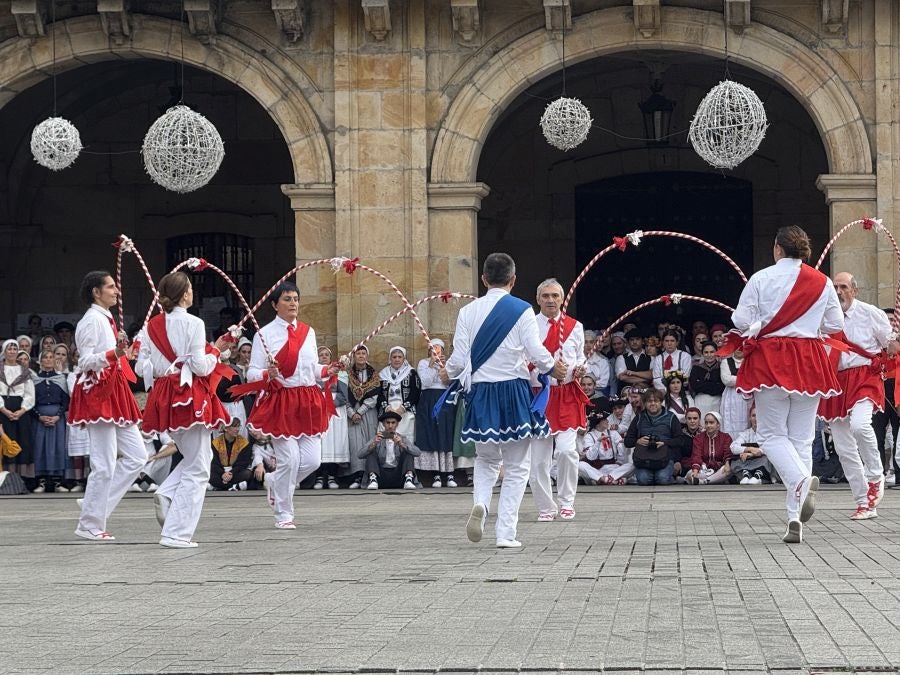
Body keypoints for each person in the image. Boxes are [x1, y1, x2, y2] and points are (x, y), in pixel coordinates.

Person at [727, 225, 843, 544]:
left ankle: (801, 484)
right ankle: (794, 517)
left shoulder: (762, 278)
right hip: (809, 357)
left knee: (771, 434)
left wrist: (759, 325)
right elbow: (835, 325)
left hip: (772, 358)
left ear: (777, 248)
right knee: (801, 439)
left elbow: (739, 321)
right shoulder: (822, 282)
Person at [442, 253, 566, 548]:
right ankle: (505, 533)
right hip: (513, 391)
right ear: (513, 280)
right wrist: (553, 367)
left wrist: (446, 373)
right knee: (518, 466)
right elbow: (535, 352)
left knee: (485, 459)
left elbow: (459, 360)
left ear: (483, 280)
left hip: (481, 393)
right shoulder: (522, 310)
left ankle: (482, 505)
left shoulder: (468, 311)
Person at [136, 271, 232, 548]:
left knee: (193, 458)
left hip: (165, 393)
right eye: (190, 288)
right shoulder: (194, 322)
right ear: (185, 294)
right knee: (200, 467)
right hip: (189, 394)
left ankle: (166, 494)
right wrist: (217, 351)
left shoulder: (151, 325)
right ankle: (176, 532)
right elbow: (201, 367)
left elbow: (148, 366)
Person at [237, 281, 333, 529]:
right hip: (282, 401)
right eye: (287, 299)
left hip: (308, 399)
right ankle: (283, 514)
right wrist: (268, 373)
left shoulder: (308, 332)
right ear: (275, 304)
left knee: (312, 461)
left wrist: (327, 370)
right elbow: (252, 374)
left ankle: (275, 483)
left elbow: (312, 369)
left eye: (296, 299)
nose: (293, 304)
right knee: (289, 459)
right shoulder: (264, 334)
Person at [69, 271, 146, 541]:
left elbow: (110, 356)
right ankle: (90, 523)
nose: (116, 291)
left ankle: (94, 504)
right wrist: (115, 353)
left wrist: (123, 354)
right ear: (96, 292)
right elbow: (85, 360)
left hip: (113, 390)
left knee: (137, 456)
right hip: (99, 392)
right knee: (104, 464)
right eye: (111, 287)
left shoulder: (106, 319)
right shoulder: (91, 321)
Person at [817, 272, 895, 520]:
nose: (838, 292)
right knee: (843, 446)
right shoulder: (824, 317)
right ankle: (864, 501)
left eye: (843, 287)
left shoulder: (870, 313)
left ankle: (876, 476)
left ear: (855, 290)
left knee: (861, 426)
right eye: (835, 288)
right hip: (836, 380)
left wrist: (896, 339)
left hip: (864, 376)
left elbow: (890, 347)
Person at [529, 278, 588, 522]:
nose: (550, 300)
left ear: (562, 299)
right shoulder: (529, 325)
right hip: (539, 395)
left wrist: (579, 369)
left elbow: (581, 357)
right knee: (539, 460)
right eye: (546, 296)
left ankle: (567, 502)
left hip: (566, 394)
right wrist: (546, 369)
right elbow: (522, 361)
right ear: (538, 299)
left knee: (566, 452)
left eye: (555, 295)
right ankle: (545, 506)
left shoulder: (575, 326)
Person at [415, 339, 458, 488]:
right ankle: (436, 474)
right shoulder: (423, 363)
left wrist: (444, 368)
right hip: (428, 400)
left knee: (445, 432)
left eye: (438, 348)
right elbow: (426, 382)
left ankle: (449, 473)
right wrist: (431, 365)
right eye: (433, 348)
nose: (436, 350)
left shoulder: (449, 363)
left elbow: (450, 383)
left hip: (444, 399)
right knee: (431, 433)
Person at [624, 388, 683, 485]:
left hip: (665, 458)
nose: (653, 404)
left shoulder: (671, 417)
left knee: (662, 479)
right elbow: (627, 441)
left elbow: (680, 440)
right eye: (649, 401)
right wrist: (637, 441)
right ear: (645, 403)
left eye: (656, 401)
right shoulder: (639, 418)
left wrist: (665, 443)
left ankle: (667, 476)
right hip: (644, 459)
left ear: (661, 402)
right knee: (643, 480)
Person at [31, 349, 69, 493]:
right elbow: (30, 401)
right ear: (40, 361)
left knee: (57, 447)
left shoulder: (61, 379)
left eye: (50, 357)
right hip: (40, 418)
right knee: (40, 447)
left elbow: (65, 401)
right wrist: (39, 416)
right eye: (45, 357)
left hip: (57, 419)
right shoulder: (34, 380)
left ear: (55, 360)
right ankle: (41, 481)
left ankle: (57, 481)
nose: (48, 360)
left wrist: (58, 415)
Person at [1, 339, 36, 488]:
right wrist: (4, 410)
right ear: (4, 351)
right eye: (9, 349)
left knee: (23, 441)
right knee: (5, 441)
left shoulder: (24, 371)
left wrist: (21, 410)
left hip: (21, 410)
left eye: (15, 349)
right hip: (3, 409)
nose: (12, 352)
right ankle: (6, 478)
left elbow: (29, 393)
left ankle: (23, 479)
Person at [345, 345, 381, 488]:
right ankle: (358, 476)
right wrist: (351, 413)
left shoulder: (373, 374)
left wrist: (361, 411)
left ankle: (371, 474)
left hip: (368, 412)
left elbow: (374, 395)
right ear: (354, 356)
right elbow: (343, 394)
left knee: (369, 441)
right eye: (358, 353)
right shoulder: (347, 374)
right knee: (355, 444)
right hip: (352, 413)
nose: (361, 356)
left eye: (363, 353)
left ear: (367, 356)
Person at [315, 345, 350, 490]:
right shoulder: (312, 374)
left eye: (326, 355)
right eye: (321, 354)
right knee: (320, 445)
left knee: (333, 444)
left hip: (334, 413)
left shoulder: (340, 373)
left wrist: (329, 405)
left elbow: (343, 396)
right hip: (317, 411)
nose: (324, 357)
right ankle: (319, 476)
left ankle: (331, 476)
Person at [358, 410, 421, 489]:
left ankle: (408, 480)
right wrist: (373, 443)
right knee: (371, 452)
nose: (390, 426)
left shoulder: (402, 438)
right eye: (388, 423)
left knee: (407, 452)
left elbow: (418, 452)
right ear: (384, 424)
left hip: (398, 476)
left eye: (393, 423)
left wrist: (402, 444)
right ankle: (373, 480)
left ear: (397, 424)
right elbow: (360, 455)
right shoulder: (377, 437)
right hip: (380, 476)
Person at [377, 346, 421, 441]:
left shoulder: (411, 373)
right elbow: (379, 393)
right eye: (394, 357)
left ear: (404, 359)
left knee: (405, 439)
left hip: (405, 410)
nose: (397, 359)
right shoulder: (383, 374)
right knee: (386, 438)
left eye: (399, 357)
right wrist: (387, 408)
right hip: (387, 409)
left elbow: (415, 392)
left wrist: (403, 408)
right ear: (390, 358)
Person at [578, 410, 632, 485]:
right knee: (580, 465)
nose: (607, 421)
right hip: (597, 470)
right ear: (597, 424)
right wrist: (598, 442)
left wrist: (622, 444)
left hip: (613, 469)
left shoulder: (613, 433)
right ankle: (607, 479)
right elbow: (590, 457)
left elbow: (621, 454)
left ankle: (605, 480)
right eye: (604, 420)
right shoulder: (589, 436)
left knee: (632, 465)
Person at [685, 411, 733, 485]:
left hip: (719, 470)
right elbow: (696, 456)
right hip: (704, 469)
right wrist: (695, 470)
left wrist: (727, 464)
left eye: (711, 422)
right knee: (690, 474)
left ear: (718, 424)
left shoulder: (725, 437)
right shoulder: (699, 438)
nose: (708, 425)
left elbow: (727, 453)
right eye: (706, 423)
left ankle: (705, 481)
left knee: (728, 470)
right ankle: (712, 480)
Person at [730, 407, 773, 485]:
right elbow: (733, 447)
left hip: (762, 462)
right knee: (734, 461)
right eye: (753, 416)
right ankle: (747, 476)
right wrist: (748, 449)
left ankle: (757, 476)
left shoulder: (768, 433)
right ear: (750, 418)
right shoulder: (746, 434)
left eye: (758, 416)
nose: (756, 419)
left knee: (767, 459)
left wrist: (752, 454)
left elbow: (771, 447)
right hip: (748, 462)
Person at [209, 418, 253, 491]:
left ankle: (218, 487)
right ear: (226, 428)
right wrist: (222, 473)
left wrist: (231, 473)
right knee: (209, 475)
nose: (237, 429)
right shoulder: (216, 442)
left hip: (235, 472)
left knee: (248, 474)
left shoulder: (243, 442)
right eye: (234, 426)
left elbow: (242, 463)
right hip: (220, 472)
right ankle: (234, 486)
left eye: (238, 426)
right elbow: (214, 463)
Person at [719, 349, 751, 435]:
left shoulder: (750, 361)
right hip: (731, 397)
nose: (739, 349)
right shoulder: (726, 362)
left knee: (746, 420)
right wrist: (745, 378)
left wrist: (736, 378)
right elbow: (727, 380)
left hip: (747, 396)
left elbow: (754, 377)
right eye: (737, 347)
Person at [689, 341, 724, 416]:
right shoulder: (696, 368)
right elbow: (694, 386)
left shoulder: (721, 367)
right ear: (702, 353)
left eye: (712, 352)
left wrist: (703, 384)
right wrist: (714, 384)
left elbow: (722, 387)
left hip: (718, 401)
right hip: (700, 401)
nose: (709, 355)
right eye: (706, 352)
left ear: (716, 352)